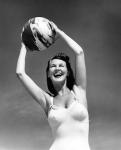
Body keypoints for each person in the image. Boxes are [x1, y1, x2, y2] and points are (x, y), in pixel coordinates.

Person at [16, 22, 90, 150]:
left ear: (67, 72)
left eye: (61, 66)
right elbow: (20, 73)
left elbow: (79, 52)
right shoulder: (47, 101)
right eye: (53, 66)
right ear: (49, 74)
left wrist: (59, 32)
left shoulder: (79, 91)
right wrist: (24, 45)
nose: (57, 68)